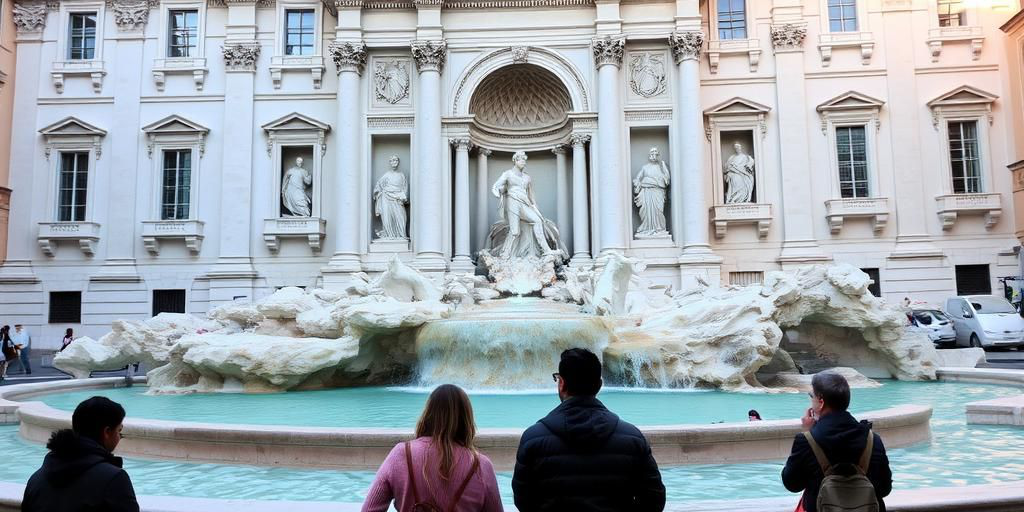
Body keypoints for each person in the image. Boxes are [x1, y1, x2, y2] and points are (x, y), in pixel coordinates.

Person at [512, 348, 665, 511]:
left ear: (561, 383)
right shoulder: (633, 438)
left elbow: (523, 501)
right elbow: (654, 499)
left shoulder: (533, 439)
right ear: (599, 385)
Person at [362, 384, 503, 512]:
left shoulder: (401, 454)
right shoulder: (481, 466)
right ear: (466, 419)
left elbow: (369, 509)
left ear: (427, 414)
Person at [782, 372, 892, 512]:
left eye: (811, 396)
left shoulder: (806, 440)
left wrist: (806, 433)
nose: (810, 400)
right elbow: (884, 488)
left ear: (821, 402)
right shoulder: (872, 439)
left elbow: (792, 484)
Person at [22, 396, 139, 512]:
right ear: (107, 432)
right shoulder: (114, 479)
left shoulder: (37, 478)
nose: (119, 437)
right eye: (119, 431)